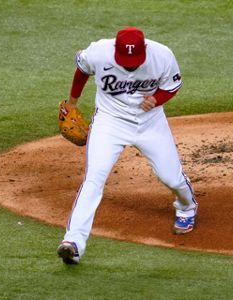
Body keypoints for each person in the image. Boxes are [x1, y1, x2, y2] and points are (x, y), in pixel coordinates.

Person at [57, 26, 198, 265]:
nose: (130, 65)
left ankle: (187, 207)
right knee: (94, 179)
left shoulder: (162, 55)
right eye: (126, 61)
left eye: (134, 61)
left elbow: (173, 85)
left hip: (150, 122)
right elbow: (82, 69)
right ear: (115, 50)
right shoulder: (99, 52)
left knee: (171, 178)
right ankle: (73, 242)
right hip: (109, 123)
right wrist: (73, 101)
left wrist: (157, 99)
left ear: (144, 49)